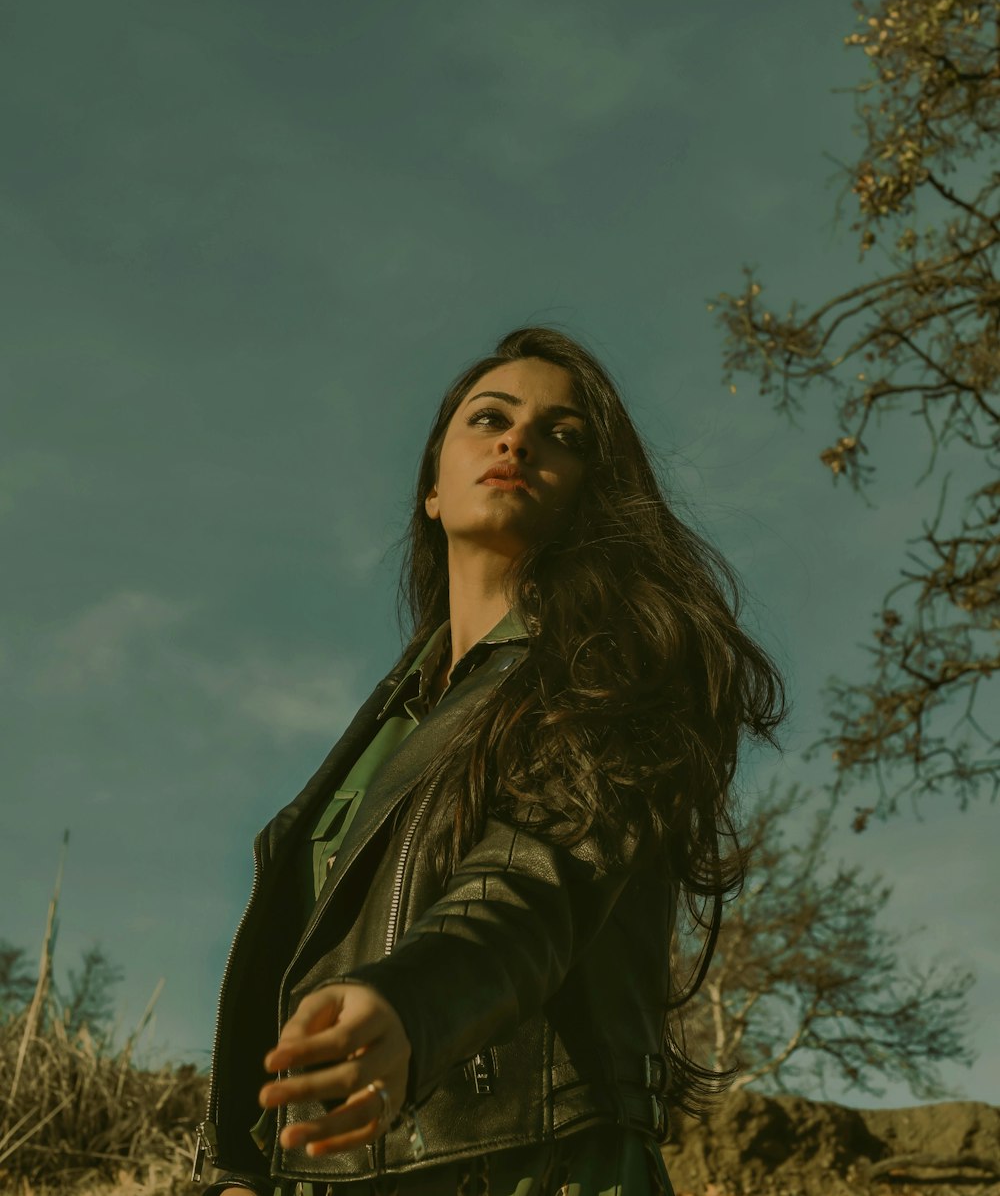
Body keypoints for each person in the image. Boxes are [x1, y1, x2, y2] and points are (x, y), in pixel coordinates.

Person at [192, 325, 785, 1196]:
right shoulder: (392, 724)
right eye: (490, 418)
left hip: (537, 1168)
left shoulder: (621, 669)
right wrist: (245, 1173)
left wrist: (411, 1005)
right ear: (432, 488)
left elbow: (529, 887)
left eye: (563, 435)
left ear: (593, 494)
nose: (517, 441)